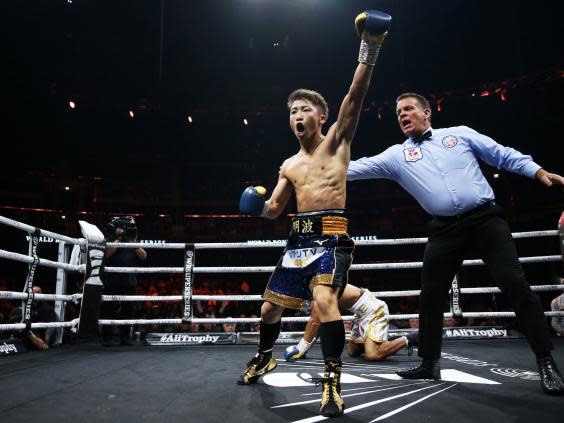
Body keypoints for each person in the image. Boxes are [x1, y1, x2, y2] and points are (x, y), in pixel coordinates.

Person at [347, 92, 564, 395]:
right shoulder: (397, 155)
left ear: (427, 113)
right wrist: (306, 169)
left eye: (408, 109)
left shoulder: (458, 134)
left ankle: (545, 361)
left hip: (485, 219)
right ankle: (429, 362)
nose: (402, 115)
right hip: (445, 229)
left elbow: (501, 154)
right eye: (398, 113)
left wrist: (536, 171)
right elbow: (352, 169)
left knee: (515, 284)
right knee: (431, 296)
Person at [236, 10, 391, 417]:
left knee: (325, 302)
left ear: (320, 117)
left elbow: (355, 96)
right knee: (268, 310)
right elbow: (274, 210)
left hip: (332, 234)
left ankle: (332, 383)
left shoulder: (338, 141)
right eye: (292, 112)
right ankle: (265, 356)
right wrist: (256, 209)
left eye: (304, 109)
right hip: (298, 239)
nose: (298, 116)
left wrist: (368, 48)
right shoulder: (288, 165)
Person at [285, 284, 418, 362]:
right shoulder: (316, 285)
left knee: (372, 354)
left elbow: (316, 321)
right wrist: (305, 348)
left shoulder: (318, 288)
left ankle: (409, 339)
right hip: (360, 314)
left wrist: (300, 349)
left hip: (374, 310)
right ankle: (386, 342)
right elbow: (318, 322)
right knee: (353, 352)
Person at [101, 216, 147, 346]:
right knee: (108, 308)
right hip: (112, 280)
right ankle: (107, 337)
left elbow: (144, 256)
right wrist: (119, 239)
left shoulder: (133, 239)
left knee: (128, 309)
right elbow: (107, 254)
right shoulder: (110, 238)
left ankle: (126, 336)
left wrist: (130, 241)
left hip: (129, 280)